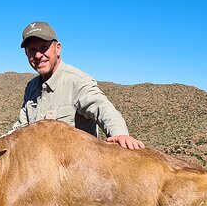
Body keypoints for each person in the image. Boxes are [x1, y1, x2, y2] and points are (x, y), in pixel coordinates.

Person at [10, 21, 145, 150]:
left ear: (58, 49)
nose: (38, 55)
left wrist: (120, 134)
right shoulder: (31, 87)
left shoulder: (77, 81)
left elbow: (103, 109)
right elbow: (22, 127)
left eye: (43, 47)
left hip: (76, 169)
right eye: (32, 50)